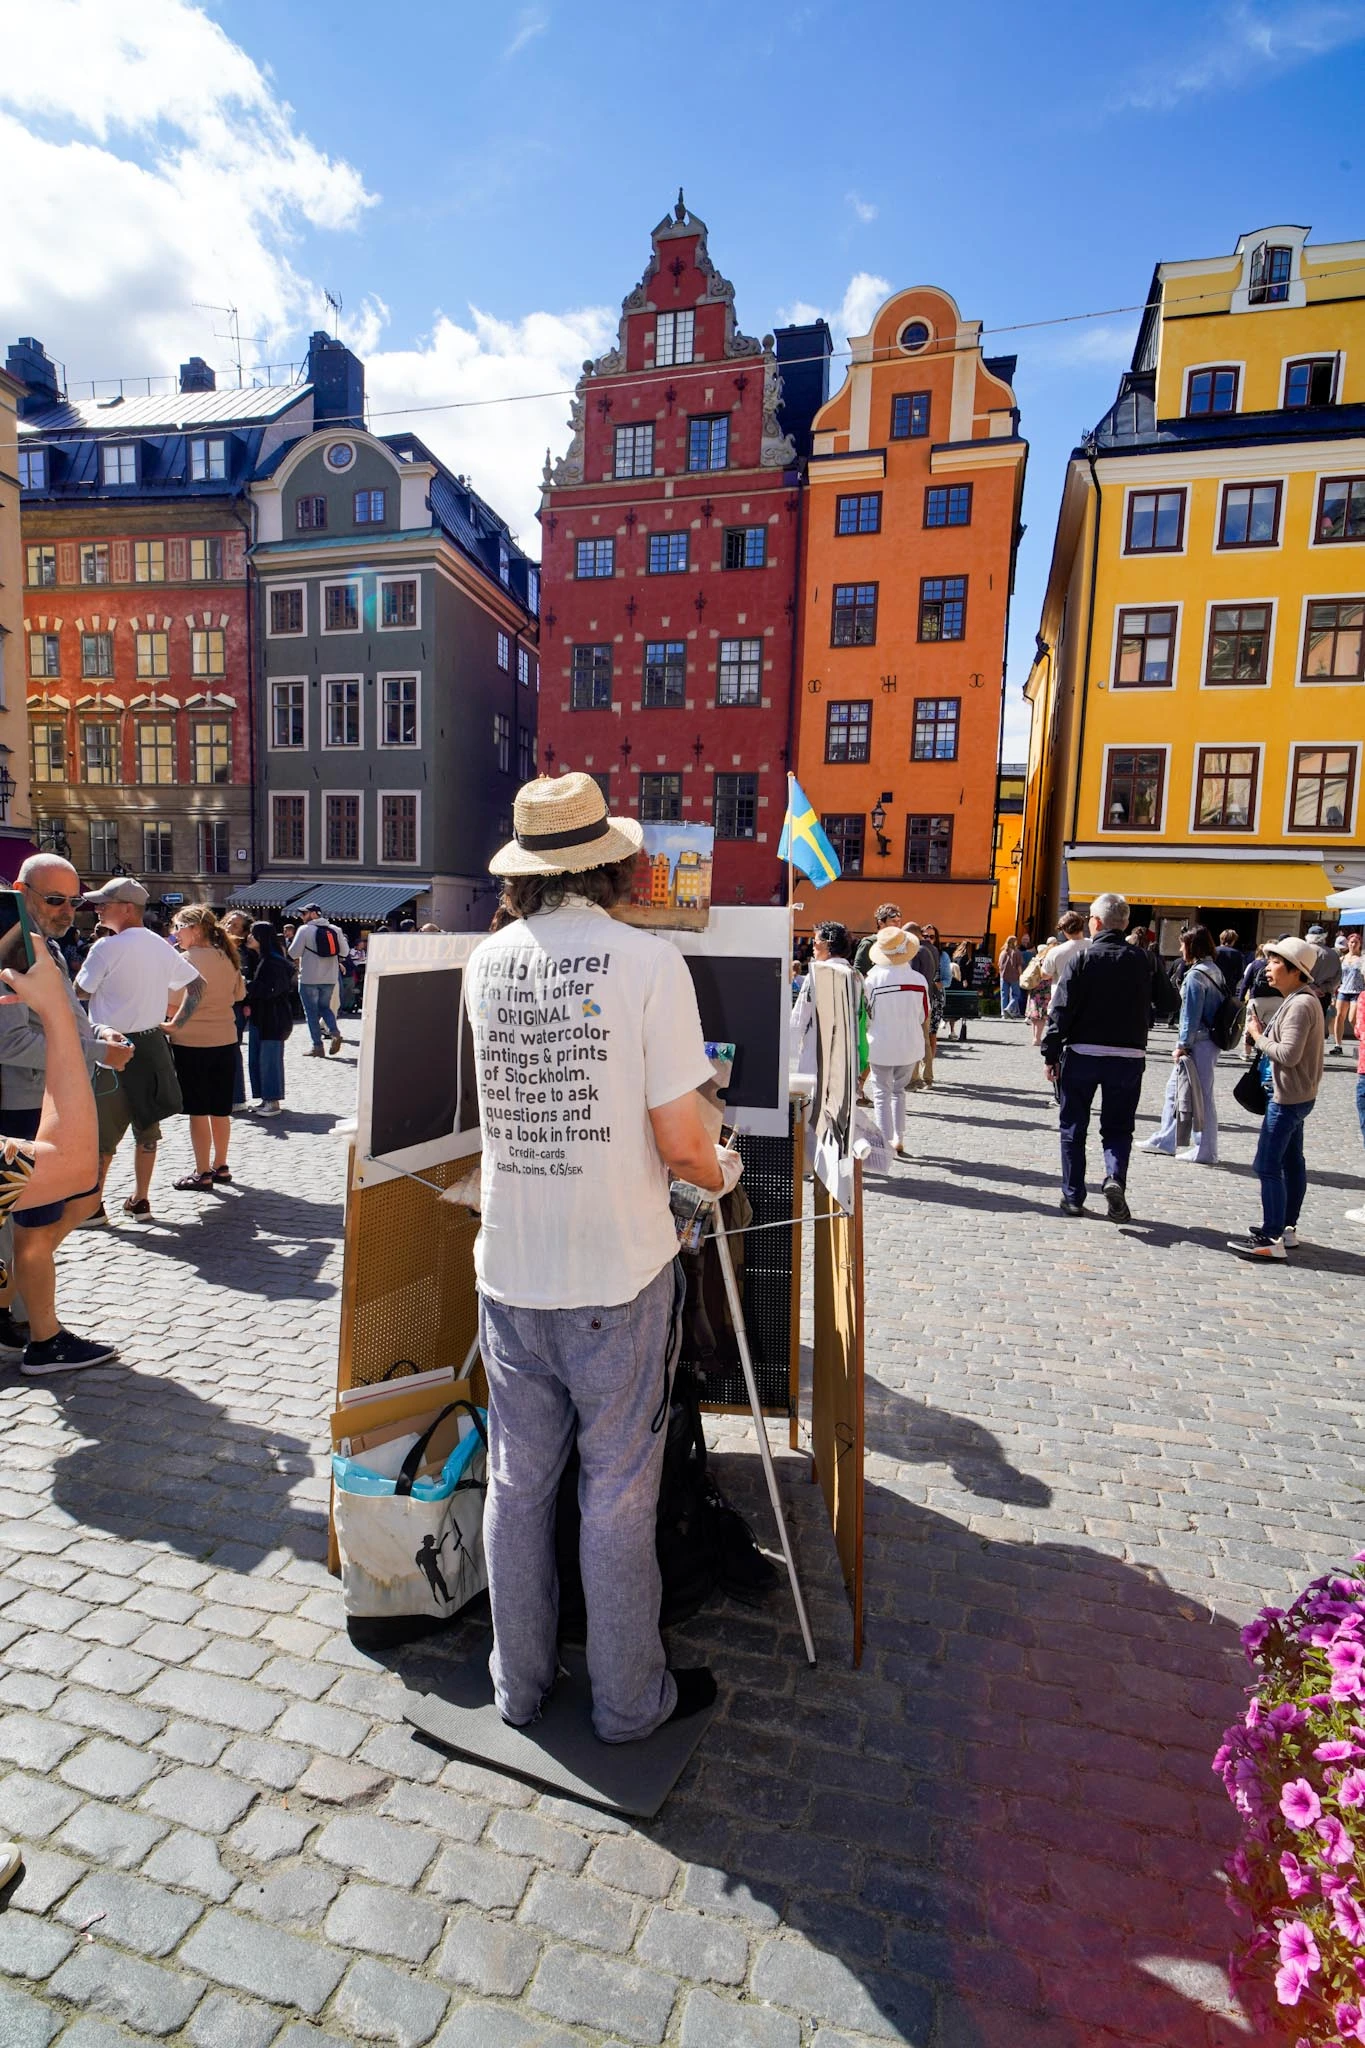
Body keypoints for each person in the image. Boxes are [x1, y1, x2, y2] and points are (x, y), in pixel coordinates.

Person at [464, 772, 731, 1743]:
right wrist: (722, 1160)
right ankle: (628, 1700)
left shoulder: (484, 962)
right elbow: (684, 1141)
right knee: (617, 1493)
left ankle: (517, 1680)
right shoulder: (648, 962)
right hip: (614, 1271)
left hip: (511, 1266)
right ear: (613, 862)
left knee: (517, 1482)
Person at [0, 864, 124, 1376]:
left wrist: (95, 1034)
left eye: (77, 901)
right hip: (29, 1104)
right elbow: (12, 1041)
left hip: (41, 1098)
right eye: (56, 900)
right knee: (38, 1220)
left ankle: (15, 1316)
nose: (69, 911)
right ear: (21, 893)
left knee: (49, 1211)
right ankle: (43, 1337)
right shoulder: (12, 950)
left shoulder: (34, 944)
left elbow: (62, 1015)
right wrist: (95, 1047)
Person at [75, 879, 201, 1222]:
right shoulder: (161, 945)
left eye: (105, 903)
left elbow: (80, 991)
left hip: (112, 1045)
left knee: (103, 1133)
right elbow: (196, 984)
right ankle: (141, 1200)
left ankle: (93, 1205)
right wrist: (174, 1024)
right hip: (151, 1042)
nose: (97, 908)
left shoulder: (104, 948)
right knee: (147, 1127)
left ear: (127, 908)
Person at [1040, 891, 1154, 1223]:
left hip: (1083, 1054)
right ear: (1125, 923)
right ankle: (1115, 1177)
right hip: (1128, 1056)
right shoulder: (1144, 959)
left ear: (1096, 922)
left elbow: (1060, 1010)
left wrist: (1050, 1053)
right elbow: (1169, 1001)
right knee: (1118, 1127)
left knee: (1074, 1126)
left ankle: (1073, 1196)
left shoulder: (1083, 959)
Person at [1228, 937, 1325, 1261]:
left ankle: (1271, 1236)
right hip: (1296, 1094)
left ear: (1295, 970)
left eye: (1275, 962)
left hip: (1287, 1098)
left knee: (1267, 1164)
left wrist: (1257, 1037)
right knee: (1292, 1162)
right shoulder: (1299, 999)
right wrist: (1266, 1029)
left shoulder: (1300, 1003)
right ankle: (1286, 1228)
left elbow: (1288, 1054)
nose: (1268, 967)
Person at [166, 908, 247, 1190]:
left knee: (198, 1110)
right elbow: (239, 994)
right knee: (220, 1109)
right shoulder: (227, 956)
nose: (176, 933)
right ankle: (221, 1165)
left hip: (192, 1042)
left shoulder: (184, 961)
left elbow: (172, 1005)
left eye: (178, 927)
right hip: (225, 1039)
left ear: (194, 929)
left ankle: (202, 1172)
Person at [1141, 924, 1224, 1165]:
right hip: (1208, 1041)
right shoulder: (1214, 970)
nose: (1179, 948)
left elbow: (1190, 1014)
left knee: (1198, 1097)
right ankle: (1167, 1139)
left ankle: (1203, 1149)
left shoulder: (1197, 975)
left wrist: (1182, 1044)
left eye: (1182, 944)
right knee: (1179, 1092)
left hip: (1198, 1042)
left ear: (1192, 946)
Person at [862, 927, 929, 1157]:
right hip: (909, 1044)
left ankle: (885, 1139)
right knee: (899, 1091)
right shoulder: (919, 980)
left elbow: (867, 1016)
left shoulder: (872, 979)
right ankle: (898, 1136)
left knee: (881, 1092)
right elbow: (923, 1015)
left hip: (881, 1042)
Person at [243, 922, 293, 1114]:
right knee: (259, 1059)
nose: (249, 938)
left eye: (253, 935)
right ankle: (266, 1099)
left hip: (272, 1018)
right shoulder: (265, 959)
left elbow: (272, 989)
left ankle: (272, 1101)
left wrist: (248, 985)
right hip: (263, 1016)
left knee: (269, 1060)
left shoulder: (273, 961)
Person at [288, 905, 349, 1056]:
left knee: (311, 1013)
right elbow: (345, 952)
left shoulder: (304, 930)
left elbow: (293, 953)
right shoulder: (335, 929)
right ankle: (334, 1032)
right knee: (325, 1008)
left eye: (304, 913)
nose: (302, 916)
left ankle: (317, 1046)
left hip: (309, 977)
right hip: (329, 977)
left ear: (314, 914)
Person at [222, 910, 253, 1109]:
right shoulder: (218, 945)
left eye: (235, 925)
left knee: (232, 1049)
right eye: (229, 923)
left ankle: (237, 1097)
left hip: (235, 1005)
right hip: (219, 1003)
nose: (229, 927)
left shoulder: (244, 952)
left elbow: (248, 980)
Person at [1330, 930, 1364, 1057]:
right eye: (1351, 942)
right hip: (1343, 990)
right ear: (1347, 943)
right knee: (1339, 1017)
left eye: (1356, 942)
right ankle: (1338, 1045)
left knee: (1352, 1018)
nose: (1353, 944)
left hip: (1357, 991)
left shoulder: (1362, 959)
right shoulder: (1342, 959)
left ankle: (1362, 1040)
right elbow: (1337, 977)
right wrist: (1333, 992)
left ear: (1360, 943)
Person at [853, 903, 902, 976]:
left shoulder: (902, 943)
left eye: (899, 921)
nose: (898, 925)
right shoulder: (868, 944)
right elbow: (858, 975)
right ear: (881, 923)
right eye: (893, 921)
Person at [1306, 923, 1342, 1018]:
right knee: (1318, 1024)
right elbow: (1338, 978)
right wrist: (1323, 989)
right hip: (1324, 995)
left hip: (1305, 992)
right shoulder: (1333, 954)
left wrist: (1312, 987)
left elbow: (1298, 973)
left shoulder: (1305, 951)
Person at [997, 934, 1024, 1018]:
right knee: (1016, 995)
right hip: (1014, 977)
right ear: (1015, 942)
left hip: (1003, 976)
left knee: (1004, 995)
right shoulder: (1017, 952)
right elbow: (1019, 966)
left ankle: (1003, 1013)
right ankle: (1009, 1008)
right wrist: (1021, 975)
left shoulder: (1002, 952)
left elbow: (999, 965)